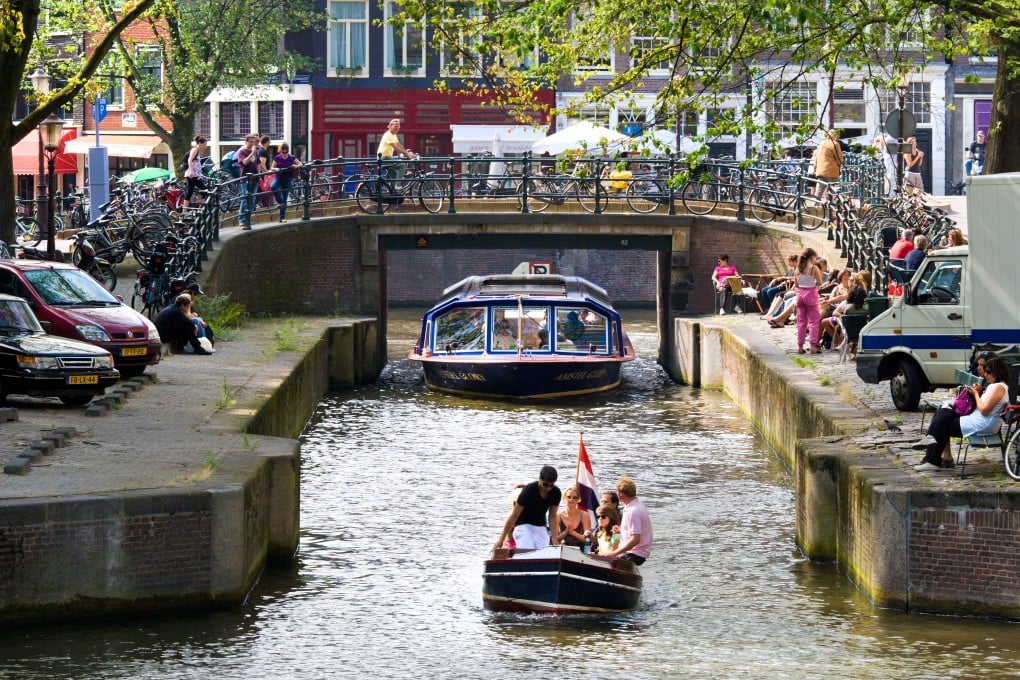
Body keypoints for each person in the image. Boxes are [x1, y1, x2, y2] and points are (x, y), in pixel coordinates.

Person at [911, 357, 1009, 470]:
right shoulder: (997, 386)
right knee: (942, 413)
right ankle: (932, 451)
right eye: (985, 371)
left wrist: (976, 394)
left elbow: (984, 410)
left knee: (941, 422)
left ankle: (932, 457)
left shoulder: (998, 387)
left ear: (998, 371)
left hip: (982, 424)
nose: (985, 374)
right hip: (979, 420)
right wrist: (978, 391)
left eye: (989, 372)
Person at [493, 466, 561, 552]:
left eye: (551, 486)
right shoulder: (529, 490)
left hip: (540, 526)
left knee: (543, 552)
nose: (548, 488)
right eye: (545, 484)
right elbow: (514, 515)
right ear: (540, 479)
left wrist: (554, 538)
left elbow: (552, 516)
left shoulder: (556, 493)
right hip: (523, 524)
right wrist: (501, 540)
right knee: (527, 550)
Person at [601, 476, 652, 564]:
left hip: (635, 554)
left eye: (617, 492)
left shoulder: (633, 511)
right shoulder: (636, 505)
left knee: (604, 562)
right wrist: (622, 529)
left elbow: (635, 539)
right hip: (638, 552)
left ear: (621, 494)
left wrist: (614, 553)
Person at [793, 247, 823, 354]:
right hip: (810, 294)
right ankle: (813, 346)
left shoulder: (797, 269)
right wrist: (813, 287)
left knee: (801, 322)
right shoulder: (813, 268)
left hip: (800, 295)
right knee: (813, 322)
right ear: (811, 257)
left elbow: (796, 285)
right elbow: (819, 283)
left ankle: (800, 347)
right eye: (814, 257)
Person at [270, 143, 303, 223]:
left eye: (286, 152)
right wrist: (277, 169)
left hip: (288, 179)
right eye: (283, 152)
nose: (284, 154)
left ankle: (282, 218)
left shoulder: (291, 157)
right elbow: (271, 168)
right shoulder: (277, 158)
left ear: (288, 151)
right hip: (278, 177)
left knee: (284, 197)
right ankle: (280, 202)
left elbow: (301, 164)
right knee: (273, 186)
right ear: (281, 151)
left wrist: (296, 166)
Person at [377, 118, 415, 186]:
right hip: (384, 158)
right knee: (402, 165)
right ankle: (398, 186)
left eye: (398, 126)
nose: (397, 128)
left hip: (387, 157)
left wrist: (406, 152)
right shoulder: (388, 134)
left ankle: (393, 193)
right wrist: (407, 154)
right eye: (396, 126)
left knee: (394, 176)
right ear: (390, 126)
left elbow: (399, 145)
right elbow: (395, 147)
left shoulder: (393, 135)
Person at [236, 134, 260, 229]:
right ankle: (241, 220)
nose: (253, 144)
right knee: (245, 198)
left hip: (255, 178)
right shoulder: (242, 151)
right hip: (245, 179)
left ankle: (248, 219)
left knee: (252, 199)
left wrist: (259, 174)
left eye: (254, 142)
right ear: (246, 142)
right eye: (250, 142)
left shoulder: (256, 152)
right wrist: (252, 153)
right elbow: (244, 162)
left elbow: (257, 163)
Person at [811, 129, 844, 200]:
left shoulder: (821, 144)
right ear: (834, 136)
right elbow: (839, 158)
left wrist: (815, 168)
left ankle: (815, 207)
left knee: (818, 192)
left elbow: (816, 157)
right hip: (832, 171)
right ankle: (832, 208)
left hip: (821, 171)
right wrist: (839, 166)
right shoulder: (835, 144)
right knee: (834, 191)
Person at [185, 282, 214, 347]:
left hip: (187, 321)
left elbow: (194, 313)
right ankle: (202, 345)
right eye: (197, 294)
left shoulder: (190, 301)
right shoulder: (185, 299)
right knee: (197, 322)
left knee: (206, 326)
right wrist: (199, 320)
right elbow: (186, 314)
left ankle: (207, 344)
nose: (197, 297)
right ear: (193, 293)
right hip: (183, 323)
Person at [183, 135, 208, 208]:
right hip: (193, 175)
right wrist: (191, 171)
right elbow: (189, 160)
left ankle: (184, 211)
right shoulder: (195, 150)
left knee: (190, 192)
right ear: (199, 143)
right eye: (204, 144)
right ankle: (201, 206)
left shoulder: (197, 150)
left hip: (194, 175)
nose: (205, 146)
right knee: (205, 190)